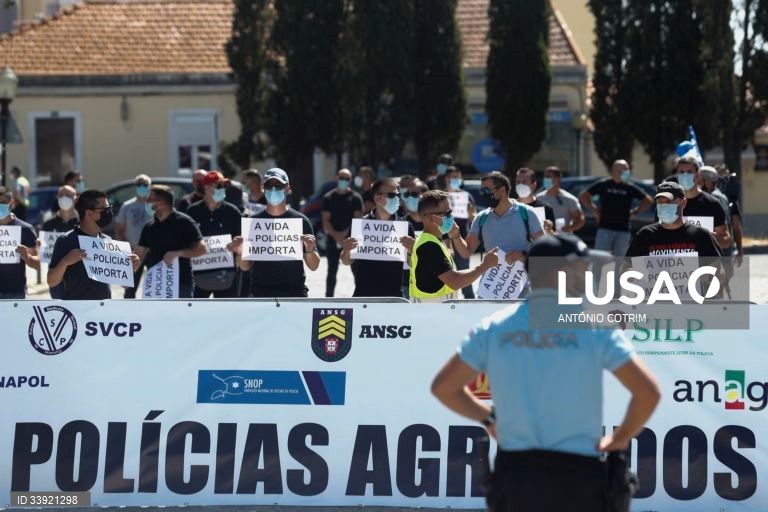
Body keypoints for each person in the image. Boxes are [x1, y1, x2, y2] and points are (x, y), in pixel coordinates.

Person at [431, 233, 661, 512]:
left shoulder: (493, 328)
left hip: (516, 475)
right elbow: (648, 393)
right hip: (579, 475)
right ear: (561, 272)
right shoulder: (595, 327)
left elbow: (444, 387)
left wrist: (489, 418)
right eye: (582, 267)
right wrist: (620, 439)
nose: (588, 273)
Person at [228, 168, 320, 297]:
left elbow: (314, 266)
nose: (273, 189)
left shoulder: (300, 221)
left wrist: (309, 250)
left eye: (278, 185)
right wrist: (240, 252)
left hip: (294, 294)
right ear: (264, 189)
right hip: (261, 294)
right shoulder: (253, 222)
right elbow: (245, 266)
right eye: (269, 185)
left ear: (287, 188)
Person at [409, 190, 499, 302]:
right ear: (432, 218)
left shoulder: (432, 241)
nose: (451, 216)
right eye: (447, 212)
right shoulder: (429, 246)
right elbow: (455, 281)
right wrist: (485, 265)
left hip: (436, 313)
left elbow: (453, 276)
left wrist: (456, 236)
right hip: (431, 315)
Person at [48, 189, 139, 300]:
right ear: (89, 213)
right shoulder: (66, 240)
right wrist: (65, 262)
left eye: (109, 207)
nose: (109, 211)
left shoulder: (107, 241)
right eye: (105, 208)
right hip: (77, 311)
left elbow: (124, 284)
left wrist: (131, 268)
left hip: (102, 310)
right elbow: (52, 282)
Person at [453, 171, 544, 269]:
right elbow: (466, 252)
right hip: (491, 282)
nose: (483, 194)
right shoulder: (481, 218)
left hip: (522, 282)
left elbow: (544, 248)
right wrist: (456, 236)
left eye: (487, 190)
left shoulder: (527, 213)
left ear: (502, 190)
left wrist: (524, 255)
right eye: (482, 191)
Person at [340, 178, 413, 297]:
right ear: (377, 198)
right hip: (364, 295)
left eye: (398, 195)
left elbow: (411, 264)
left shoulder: (404, 226)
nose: (396, 198)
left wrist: (411, 250)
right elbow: (346, 261)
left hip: (394, 296)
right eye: (392, 195)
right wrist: (347, 250)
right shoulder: (361, 225)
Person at [135, 185, 207, 298]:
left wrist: (178, 253)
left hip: (181, 285)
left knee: (180, 316)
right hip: (155, 286)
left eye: (149, 200)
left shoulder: (184, 222)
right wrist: (126, 272)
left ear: (160, 203)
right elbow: (138, 254)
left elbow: (202, 249)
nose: (146, 203)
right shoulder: (149, 226)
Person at [625, 181, 721, 260]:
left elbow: (720, 272)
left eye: (668, 201)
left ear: (683, 203)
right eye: (659, 201)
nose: (663, 205)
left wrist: (707, 274)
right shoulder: (644, 235)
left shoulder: (701, 235)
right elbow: (626, 268)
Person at [185, 171, 243, 298]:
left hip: (226, 275)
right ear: (207, 188)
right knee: (196, 314)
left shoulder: (232, 211)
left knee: (225, 314)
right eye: (219, 186)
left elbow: (242, 239)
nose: (223, 190)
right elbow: (185, 240)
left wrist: (237, 242)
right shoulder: (192, 211)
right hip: (198, 274)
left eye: (224, 186)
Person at [579, 159, 653, 257]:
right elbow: (584, 196)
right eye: (625, 169)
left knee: (621, 261)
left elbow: (648, 200)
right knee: (598, 259)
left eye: (628, 169)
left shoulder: (629, 187)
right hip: (605, 228)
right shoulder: (604, 184)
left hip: (623, 229)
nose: (627, 172)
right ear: (615, 170)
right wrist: (595, 210)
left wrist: (635, 212)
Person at [674, 157, 731, 253]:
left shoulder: (713, 204)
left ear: (698, 175)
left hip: (706, 264)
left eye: (689, 172)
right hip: (678, 265)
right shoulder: (668, 205)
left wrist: (709, 239)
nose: (685, 175)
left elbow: (726, 240)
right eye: (681, 172)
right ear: (677, 175)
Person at [322, 168, 364, 297]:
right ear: (336, 178)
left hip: (351, 240)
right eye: (341, 178)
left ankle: (361, 295)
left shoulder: (356, 198)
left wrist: (344, 235)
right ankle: (328, 297)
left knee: (355, 269)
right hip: (332, 239)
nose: (343, 181)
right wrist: (336, 236)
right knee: (332, 270)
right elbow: (325, 221)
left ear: (350, 180)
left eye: (347, 179)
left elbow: (357, 220)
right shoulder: (328, 197)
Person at [114, 174, 153, 298]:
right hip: (133, 251)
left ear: (150, 186)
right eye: (139, 184)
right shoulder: (127, 206)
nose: (142, 187)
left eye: (145, 185)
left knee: (155, 286)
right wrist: (126, 249)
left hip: (152, 251)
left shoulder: (155, 206)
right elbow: (119, 229)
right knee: (130, 288)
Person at [443, 166, 477, 298]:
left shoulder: (466, 196)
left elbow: (474, 219)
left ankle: (469, 303)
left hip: (462, 240)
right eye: (454, 177)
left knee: (465, 276)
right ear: (447, 179)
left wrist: (470, 214)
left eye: (458, 177)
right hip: (444, 241)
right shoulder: (440, 196)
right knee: (445, 275)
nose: (457, 180)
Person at [40, 185, 79, 299]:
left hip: (78, 278)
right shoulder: (48, 224)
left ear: (75, 197)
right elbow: (43, 252)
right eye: (61, 195)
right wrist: (39, 248)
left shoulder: (83, 222)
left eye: (68, 195)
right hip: (56, 279)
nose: (64, 198)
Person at [0, 186, 39, 299]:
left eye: (2, 202)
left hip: (14, 293)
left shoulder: (25, 229)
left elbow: (37, 264)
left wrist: (27, 257)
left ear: (11, 203)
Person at [535, 166, 585, 233]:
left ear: (558, 179)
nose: (546, 179)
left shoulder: (569, 199)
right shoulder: (538, 198)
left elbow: (580, 218)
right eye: (545, 177)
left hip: (563, 238)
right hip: (544, 238)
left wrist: (570, 227)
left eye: (549, 177)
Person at [515, 168, 555, 234]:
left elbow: (553, 237)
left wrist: (549, 230)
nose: (520, 185)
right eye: (518, 182)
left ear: (533, 185)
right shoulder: (509, 207)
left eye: (524, 182)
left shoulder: (546, 208)